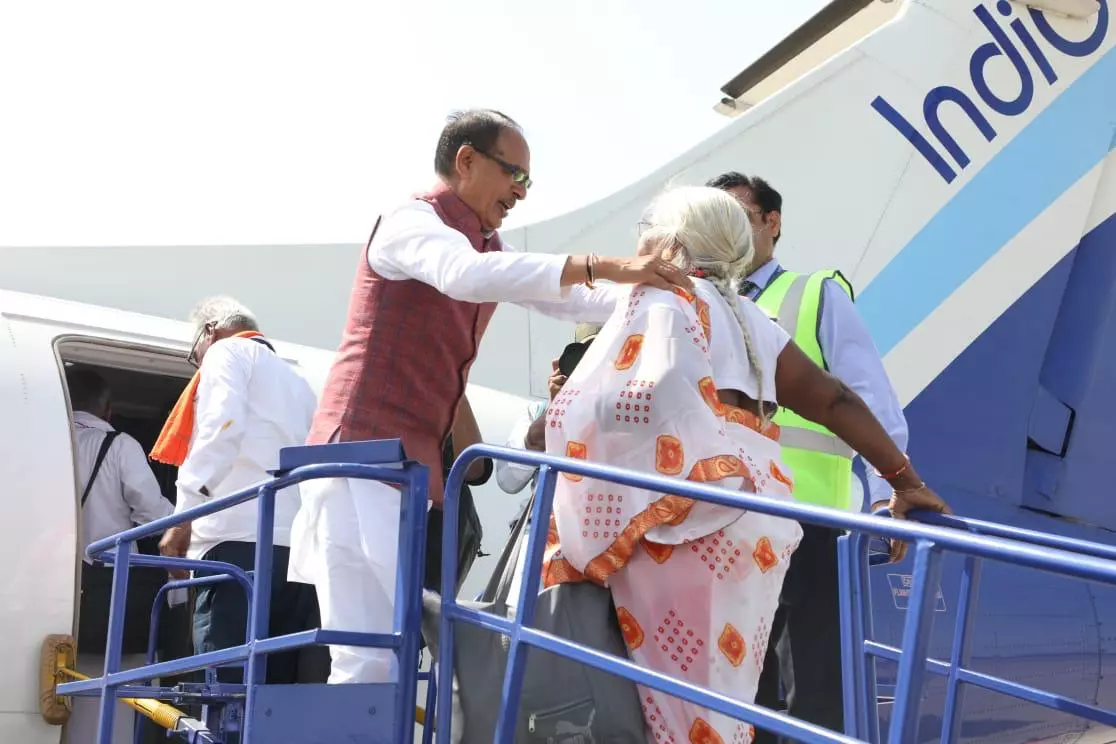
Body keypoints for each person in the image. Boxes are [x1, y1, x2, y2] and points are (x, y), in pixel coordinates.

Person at [287, 108, 693, 685]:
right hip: (360, 457)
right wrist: (607, 265)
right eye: (515, 176)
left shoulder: (486, 245)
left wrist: (668, 296)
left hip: (406, 472)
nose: (521, 194)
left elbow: (569, 301)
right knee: (371, 652)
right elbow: (465, 275)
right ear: (467, 161)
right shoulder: (411, 222)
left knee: (392, 651)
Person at [543, 185, 948, 744]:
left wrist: (554, 424)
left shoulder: (661, 302)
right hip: (759, 524)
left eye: (647, 228)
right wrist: (905, 481)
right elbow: (835, 399)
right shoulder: (750, 317)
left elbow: (628, 400)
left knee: (675, 710)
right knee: (727, 702)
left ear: (669, 241)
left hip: (687, 527)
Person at [707, 171, 911, 740]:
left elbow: (869, 398)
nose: (726, 235)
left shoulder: (813, 294)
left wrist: (886, 491)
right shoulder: (701, 302)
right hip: (723, 526)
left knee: (811, 695)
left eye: (739, 219)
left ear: (771, 223)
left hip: (805, 524)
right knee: (744, 694)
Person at [154, 296, 330, 696]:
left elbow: (222, 427)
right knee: (269, 701)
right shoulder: (299, 385)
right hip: (294, 557)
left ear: (209, 331)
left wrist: (184, 516)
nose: (198, 362)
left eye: (193, 353)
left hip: (235, 550)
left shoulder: (226, 353)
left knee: (224, 697)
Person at [66, 367, 174, 744]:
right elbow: (151, 512)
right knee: (115, 684)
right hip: (107, 593)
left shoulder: (43, 443)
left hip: (48, 586)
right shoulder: (120, 446)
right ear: (108, 410)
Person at [495, 322, 602, 499]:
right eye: (587, 358)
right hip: (543, 521)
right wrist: (556, 407)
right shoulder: (538, 411)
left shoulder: (636, 416)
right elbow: (508, 481)